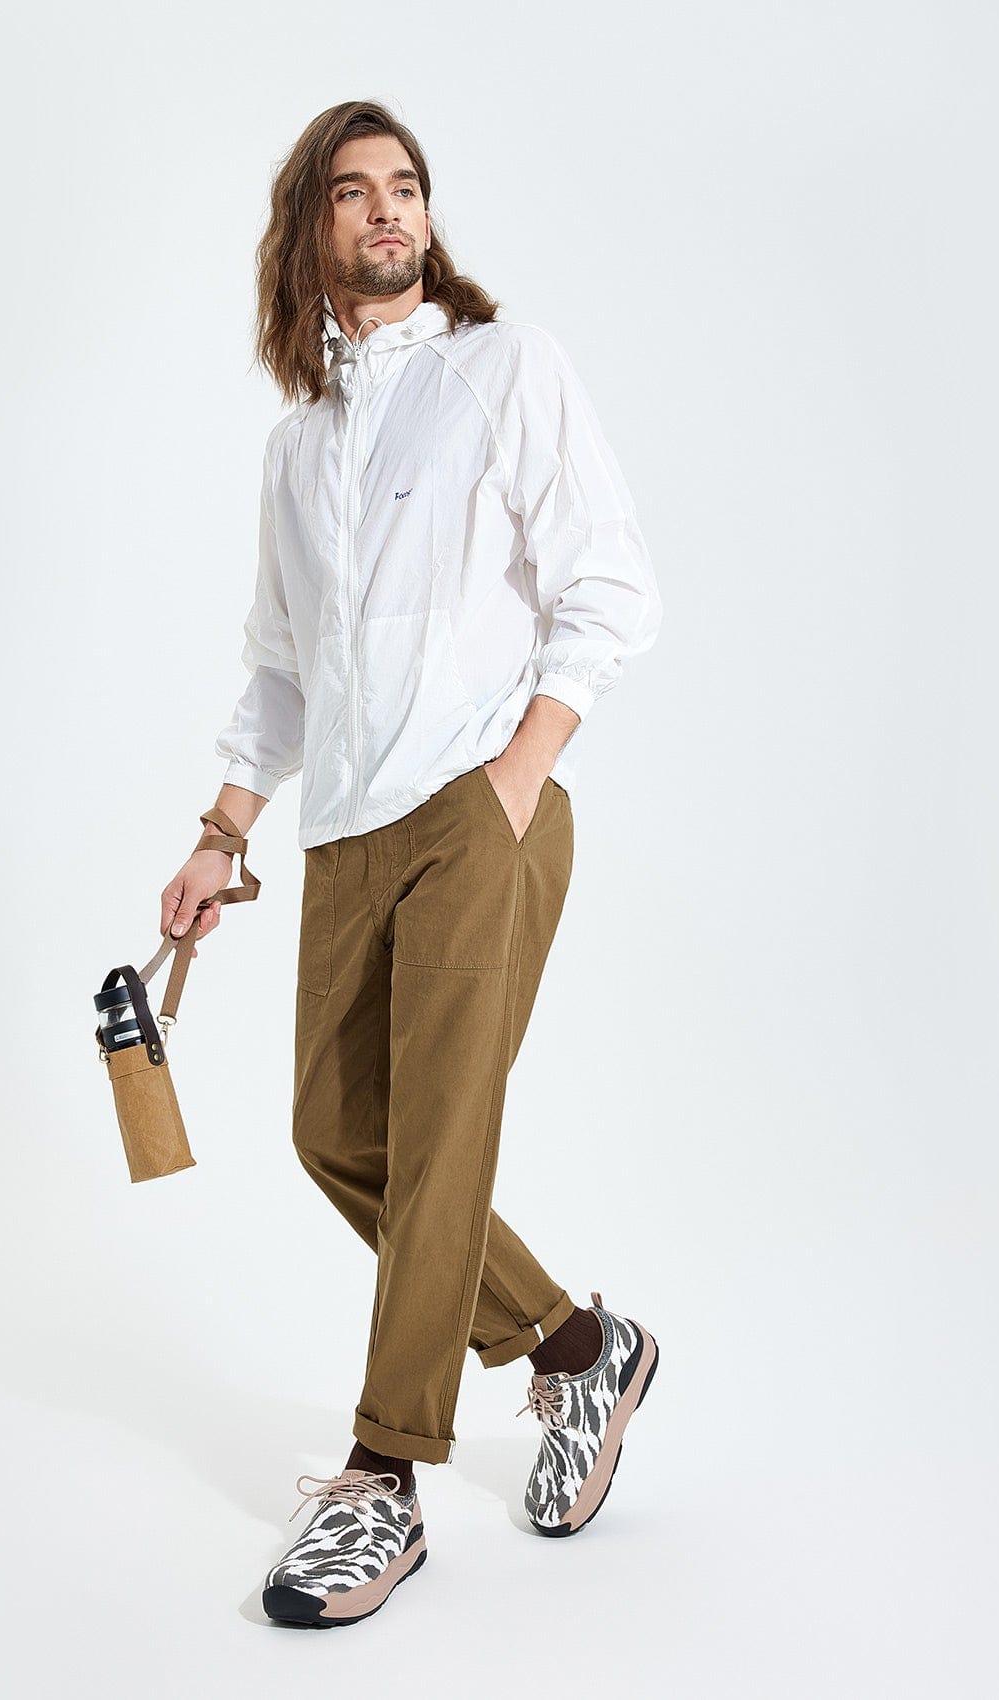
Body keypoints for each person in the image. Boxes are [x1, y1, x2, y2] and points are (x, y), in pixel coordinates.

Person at [158, 101, 664, 1628]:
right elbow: (281, 668)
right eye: (354, 191)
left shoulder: (503, 369)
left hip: (473, 808)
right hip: (342, 836)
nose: (389, 208)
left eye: (408, 187)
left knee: (439, 1138)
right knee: (335, 1132)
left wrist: (518, 776)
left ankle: (383, 1481)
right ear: (307, 232)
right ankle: (579, 1350)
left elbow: (610, 582)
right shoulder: (296, 451)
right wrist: (220, 834)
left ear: (428, 220)